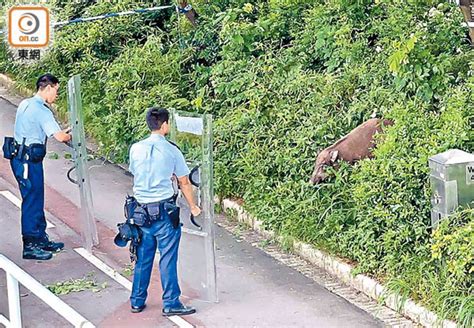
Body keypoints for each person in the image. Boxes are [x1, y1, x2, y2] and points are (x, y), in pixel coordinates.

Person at [128, 107, 201, 316]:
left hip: (140, 212)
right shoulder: (172, 150)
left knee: (142, 258)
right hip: (164, 213)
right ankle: (171, 302)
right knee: (167, 258)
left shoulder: (136, 148)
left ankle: (137, 301)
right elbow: (184, 181)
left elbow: (135, 171)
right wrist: (194, 207)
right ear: (165, 125)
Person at [8, 74, 71, 261]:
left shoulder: (25, 103)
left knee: (36, 198)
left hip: (21, 158)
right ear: (49, 88)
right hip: (28, 161)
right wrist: (69, 134)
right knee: (32, 201)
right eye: (56, 91)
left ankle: (40, 238)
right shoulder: (42, 110)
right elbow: (59, 137)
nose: (56, 96)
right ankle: (31, 245)